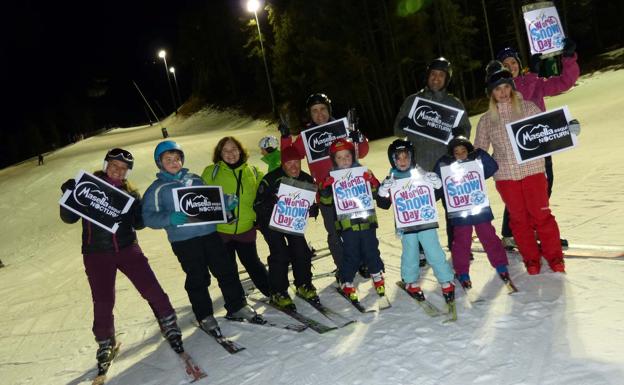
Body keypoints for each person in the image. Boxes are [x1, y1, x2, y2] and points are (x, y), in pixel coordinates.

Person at [59, 148, 185, 372]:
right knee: (103, 299)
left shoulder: (130, 194)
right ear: (106, 164)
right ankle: (105, 341)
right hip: (96, 252)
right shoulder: (89, 186)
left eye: (123, 168)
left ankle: (169, 323)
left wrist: (138, 211)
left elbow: (138, 224)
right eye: (114, 166)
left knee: (151, 288)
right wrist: (68, 193)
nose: (118, 171)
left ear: (127, 172)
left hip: (127, 249)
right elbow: (68, 218)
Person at [142, 140, 259, 335]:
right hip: (184, 241)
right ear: (159, 163)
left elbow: (210, 201)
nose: (174, 162)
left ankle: (237, 305)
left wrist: (226, 204)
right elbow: (148, 217)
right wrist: (168, 218)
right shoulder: (158, 189)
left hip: (210, 234)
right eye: (168, 159)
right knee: (198, 277)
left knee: (226, 270)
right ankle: (205, 315)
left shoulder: (195, 180)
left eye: (177, 158)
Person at [473, 61, 565, 275]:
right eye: (497, 89)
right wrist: (465, 157)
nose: (503, 92)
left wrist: (564, 129)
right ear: (491, 93)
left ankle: (554, 257)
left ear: (512, 88)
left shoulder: (528, 108)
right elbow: (479, 149)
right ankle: (531, 259)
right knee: (519, 220)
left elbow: (546, 133)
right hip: (506, 177)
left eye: (506, 87)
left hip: (533, 172)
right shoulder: (486, 120)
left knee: (542, 216)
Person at [496, 40, 580, 249]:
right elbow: (520, 103)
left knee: (543, 186)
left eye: (513, 62)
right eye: (505, 64)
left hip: (542, 144)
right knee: (519, 190)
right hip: (517, 148)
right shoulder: (500, 90)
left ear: (518, 63)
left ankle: (535, 228)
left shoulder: (534, 81)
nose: (510, 66)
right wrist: (532, 75)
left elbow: (565, 82)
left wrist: (568, 58)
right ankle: (510, 232)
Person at [280, 93, 370, 276]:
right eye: (314, 111)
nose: (319, 114)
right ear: (309, 114)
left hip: (349, 189)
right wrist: (286, 137)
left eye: (322, 109)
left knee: (356, 228)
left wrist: (357, 136)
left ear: (328, 110)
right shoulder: (307, 136)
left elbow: (363, 150)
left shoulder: (342, 127)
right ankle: (343, 265)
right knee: (335, 233)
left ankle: (362, 261)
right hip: (326, 192)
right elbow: (289, 156)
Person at [393, 57, 472, 251]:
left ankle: (458, 245)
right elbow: (397, 131)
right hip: (418, 166)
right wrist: (403, 124)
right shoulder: (413, 101)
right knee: (419, 209)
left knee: (454, 209)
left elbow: (466, 132)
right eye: (433, 74)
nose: (436, 79)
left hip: (446, 166)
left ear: (447, 79)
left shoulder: (454, 103)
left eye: (441, 75)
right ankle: (419, 249)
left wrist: (458, 134)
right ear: (428, 76)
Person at [376, 139, 455, 304]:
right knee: (410, 254)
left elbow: (434, 197)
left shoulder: (421, 174)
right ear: (393, 160)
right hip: (406, 226)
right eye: (398, 158)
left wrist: (437, 185)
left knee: (434, 252)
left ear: (412, 157)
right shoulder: (392, 179)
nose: (403, 161)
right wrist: (383, 191)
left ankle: (446, 280)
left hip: (426, 223)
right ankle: (411, 282)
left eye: (406, 157)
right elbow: (383, 204)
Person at [433, 136, 510, 288]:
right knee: (461, 242)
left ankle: (500, 265)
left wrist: (479, 153)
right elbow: (438, 185)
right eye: (457, 152)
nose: (461, 154)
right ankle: (462, 272)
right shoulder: (448, 167)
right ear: (452, 154)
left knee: (489, 236)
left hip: (479, 209)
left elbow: (491, 168)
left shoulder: (475, 165)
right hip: (460, 213)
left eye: (464, 151)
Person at [201, 137, 271, 297]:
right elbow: (200, 198)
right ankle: (237, 302)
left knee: (253, 264)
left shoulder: (253, 172)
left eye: (233, 149)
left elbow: (267, 192)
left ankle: (272, 292)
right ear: (220, 153)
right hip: (221, 231)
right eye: (225, 150)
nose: (230, 154)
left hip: (245, 229)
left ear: (240, 150)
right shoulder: (211, 172)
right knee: (228, 270)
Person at [253, 146, 320, 309]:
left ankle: (303, 284)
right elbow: (257, 205)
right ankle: (278, 291)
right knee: (280, 253)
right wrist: (272, 202)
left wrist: (312, 208)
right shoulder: (271, 179)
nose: (294, 167)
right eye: (289, 163)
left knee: (301, 250)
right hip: (269, 222)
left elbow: (310, 206)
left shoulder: (306, 179)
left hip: (291, 221)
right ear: (282, 164)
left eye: (296, 162)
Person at [319, 138, 385, 301]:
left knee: (371, 250)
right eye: (339, 158)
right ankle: (346, 280)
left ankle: (377, 275)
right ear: (334, 160)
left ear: (353, 157)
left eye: (347, 156)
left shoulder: (363, 172)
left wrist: (372, 181)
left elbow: (377, 192)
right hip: (347, 225)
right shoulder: (332, 178)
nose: (344, 161)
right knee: (351, 255)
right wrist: (326, 188)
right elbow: (326, 202)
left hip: (366, 222)